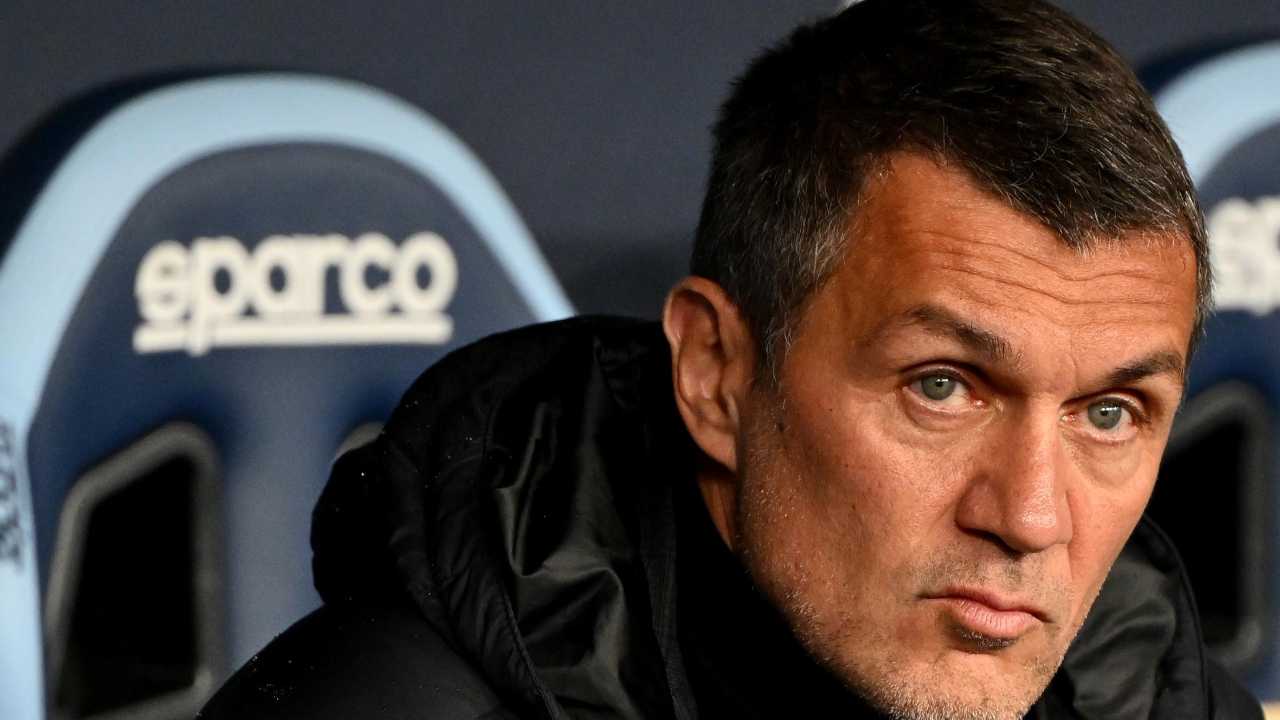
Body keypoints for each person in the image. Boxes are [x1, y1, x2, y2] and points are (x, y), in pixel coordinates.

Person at [201, 0, 1263, 717]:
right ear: (715, 374)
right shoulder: (396, 701)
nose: (1031, 518)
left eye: (1109, 413)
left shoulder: (1134, 683)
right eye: (941, 387)